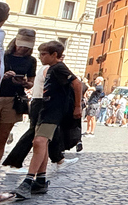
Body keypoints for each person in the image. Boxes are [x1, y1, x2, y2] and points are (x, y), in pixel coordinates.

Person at [13, 41, 82, 200]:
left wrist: (77, 107)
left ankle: (28, 181)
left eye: (44, 54)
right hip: (45, 110)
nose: (40, 57)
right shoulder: (51, 69)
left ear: (54, 55)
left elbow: (77, 83)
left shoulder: (59, 67)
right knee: (41, 143)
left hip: (53, 112)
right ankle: (41, 180)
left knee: (39, 142)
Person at [0, 29, 37, 193]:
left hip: (14, 99)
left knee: (1, 139)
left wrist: (25, 83)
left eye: (26, 46)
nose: (23, 48)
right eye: (21, 45)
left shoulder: (31, 60)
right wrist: (3, 76)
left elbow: (31, 82)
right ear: (15, 41)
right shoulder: (3, 54)